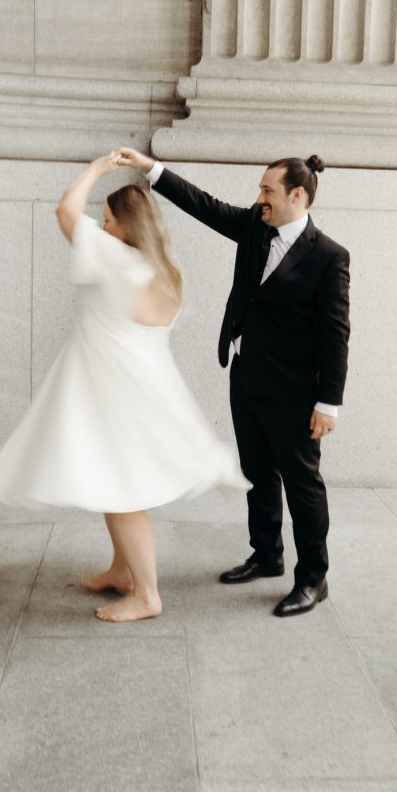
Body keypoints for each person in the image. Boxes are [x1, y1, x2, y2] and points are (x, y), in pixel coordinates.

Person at [0, 152, 245, 624]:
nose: (99, 229)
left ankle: (146, 595)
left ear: (125, 225)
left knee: (122, 493)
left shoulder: (115, 258)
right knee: (111, 480)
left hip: (112, 389)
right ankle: (123, 571)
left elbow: (65, 210)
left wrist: (98, 170)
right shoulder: (167, 268)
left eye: (105, 220)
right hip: (141, 386)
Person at [116, 149, 350, 617]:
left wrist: (329, 403)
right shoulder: (254, 226)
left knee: (302, 485)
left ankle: (313, 579)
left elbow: (336, 332)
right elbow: (203, 204)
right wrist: (150, 169)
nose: (259, 197)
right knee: (256, 473)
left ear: (297, 195)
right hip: (246, 376)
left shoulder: (329, 257)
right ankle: (267, 555)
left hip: (296, 391)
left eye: (268, 189)